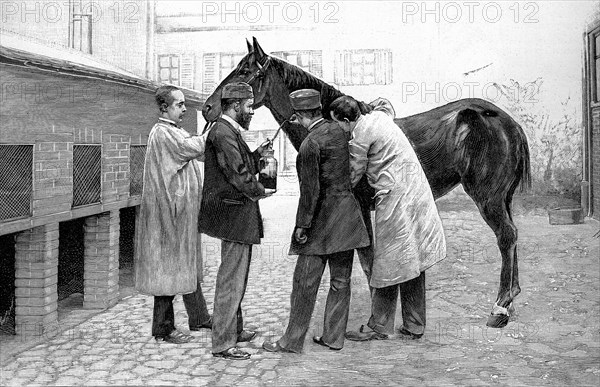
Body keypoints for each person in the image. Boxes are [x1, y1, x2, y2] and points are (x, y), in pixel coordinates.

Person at [329, 95, 447, 341]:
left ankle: (379, 325)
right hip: (415, 193)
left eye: (339, 124)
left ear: (348, 120)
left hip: (396, 197)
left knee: (387, 260)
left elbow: (353, 175)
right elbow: (385, 105)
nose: (339, 129)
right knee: (413, 258)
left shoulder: (360, 135)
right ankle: (415, 324)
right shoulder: (378, 117)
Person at [262, 89, 370, 354]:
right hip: (347, 218)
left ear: (299, 116)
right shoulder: (341, 132)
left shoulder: (310, 144)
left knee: (304, 283)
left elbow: (310, 192)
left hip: (321, 222)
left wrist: (302, 225)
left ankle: (292, 341)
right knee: (340, 281)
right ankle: (333, 338)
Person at [198, 82, 275, 360]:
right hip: (233, 214)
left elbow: (240, 165)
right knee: (231, 278)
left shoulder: (228, 130)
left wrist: (257, 155)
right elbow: (236, 173)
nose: (251, 111)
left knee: (236, 276)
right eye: (248, 105)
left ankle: (235, 329)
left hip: (236, 213)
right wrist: (259, 190)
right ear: (234, 105)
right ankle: (222, 343)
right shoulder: (222, 132)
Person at [134, 85, 212, 345]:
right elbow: (194, 146)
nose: (185, 108)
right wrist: (216, 125)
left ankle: (199, 316)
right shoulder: (163, 133)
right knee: (167, 270)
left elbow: (199, 151)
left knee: (187, 264)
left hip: (180, 214)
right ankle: (163, 329)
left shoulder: (175, 132)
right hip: (167, 215)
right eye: (179, 104)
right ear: (164, 108)